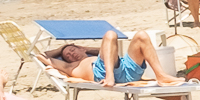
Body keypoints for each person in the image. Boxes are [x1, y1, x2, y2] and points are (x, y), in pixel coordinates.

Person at [42, 31, 183, 87]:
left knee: (141, 35)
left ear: (80, 48)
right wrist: (62, 48)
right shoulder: (72, 67)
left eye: (72, 50)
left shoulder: (99, 54)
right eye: (68, 56)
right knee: (110, 34)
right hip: (103, 73)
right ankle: (110, 77)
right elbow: (42, 56)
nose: (71, 55)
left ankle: (161, 75)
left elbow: (108, 49)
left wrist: (86, 49)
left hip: (125, 69)